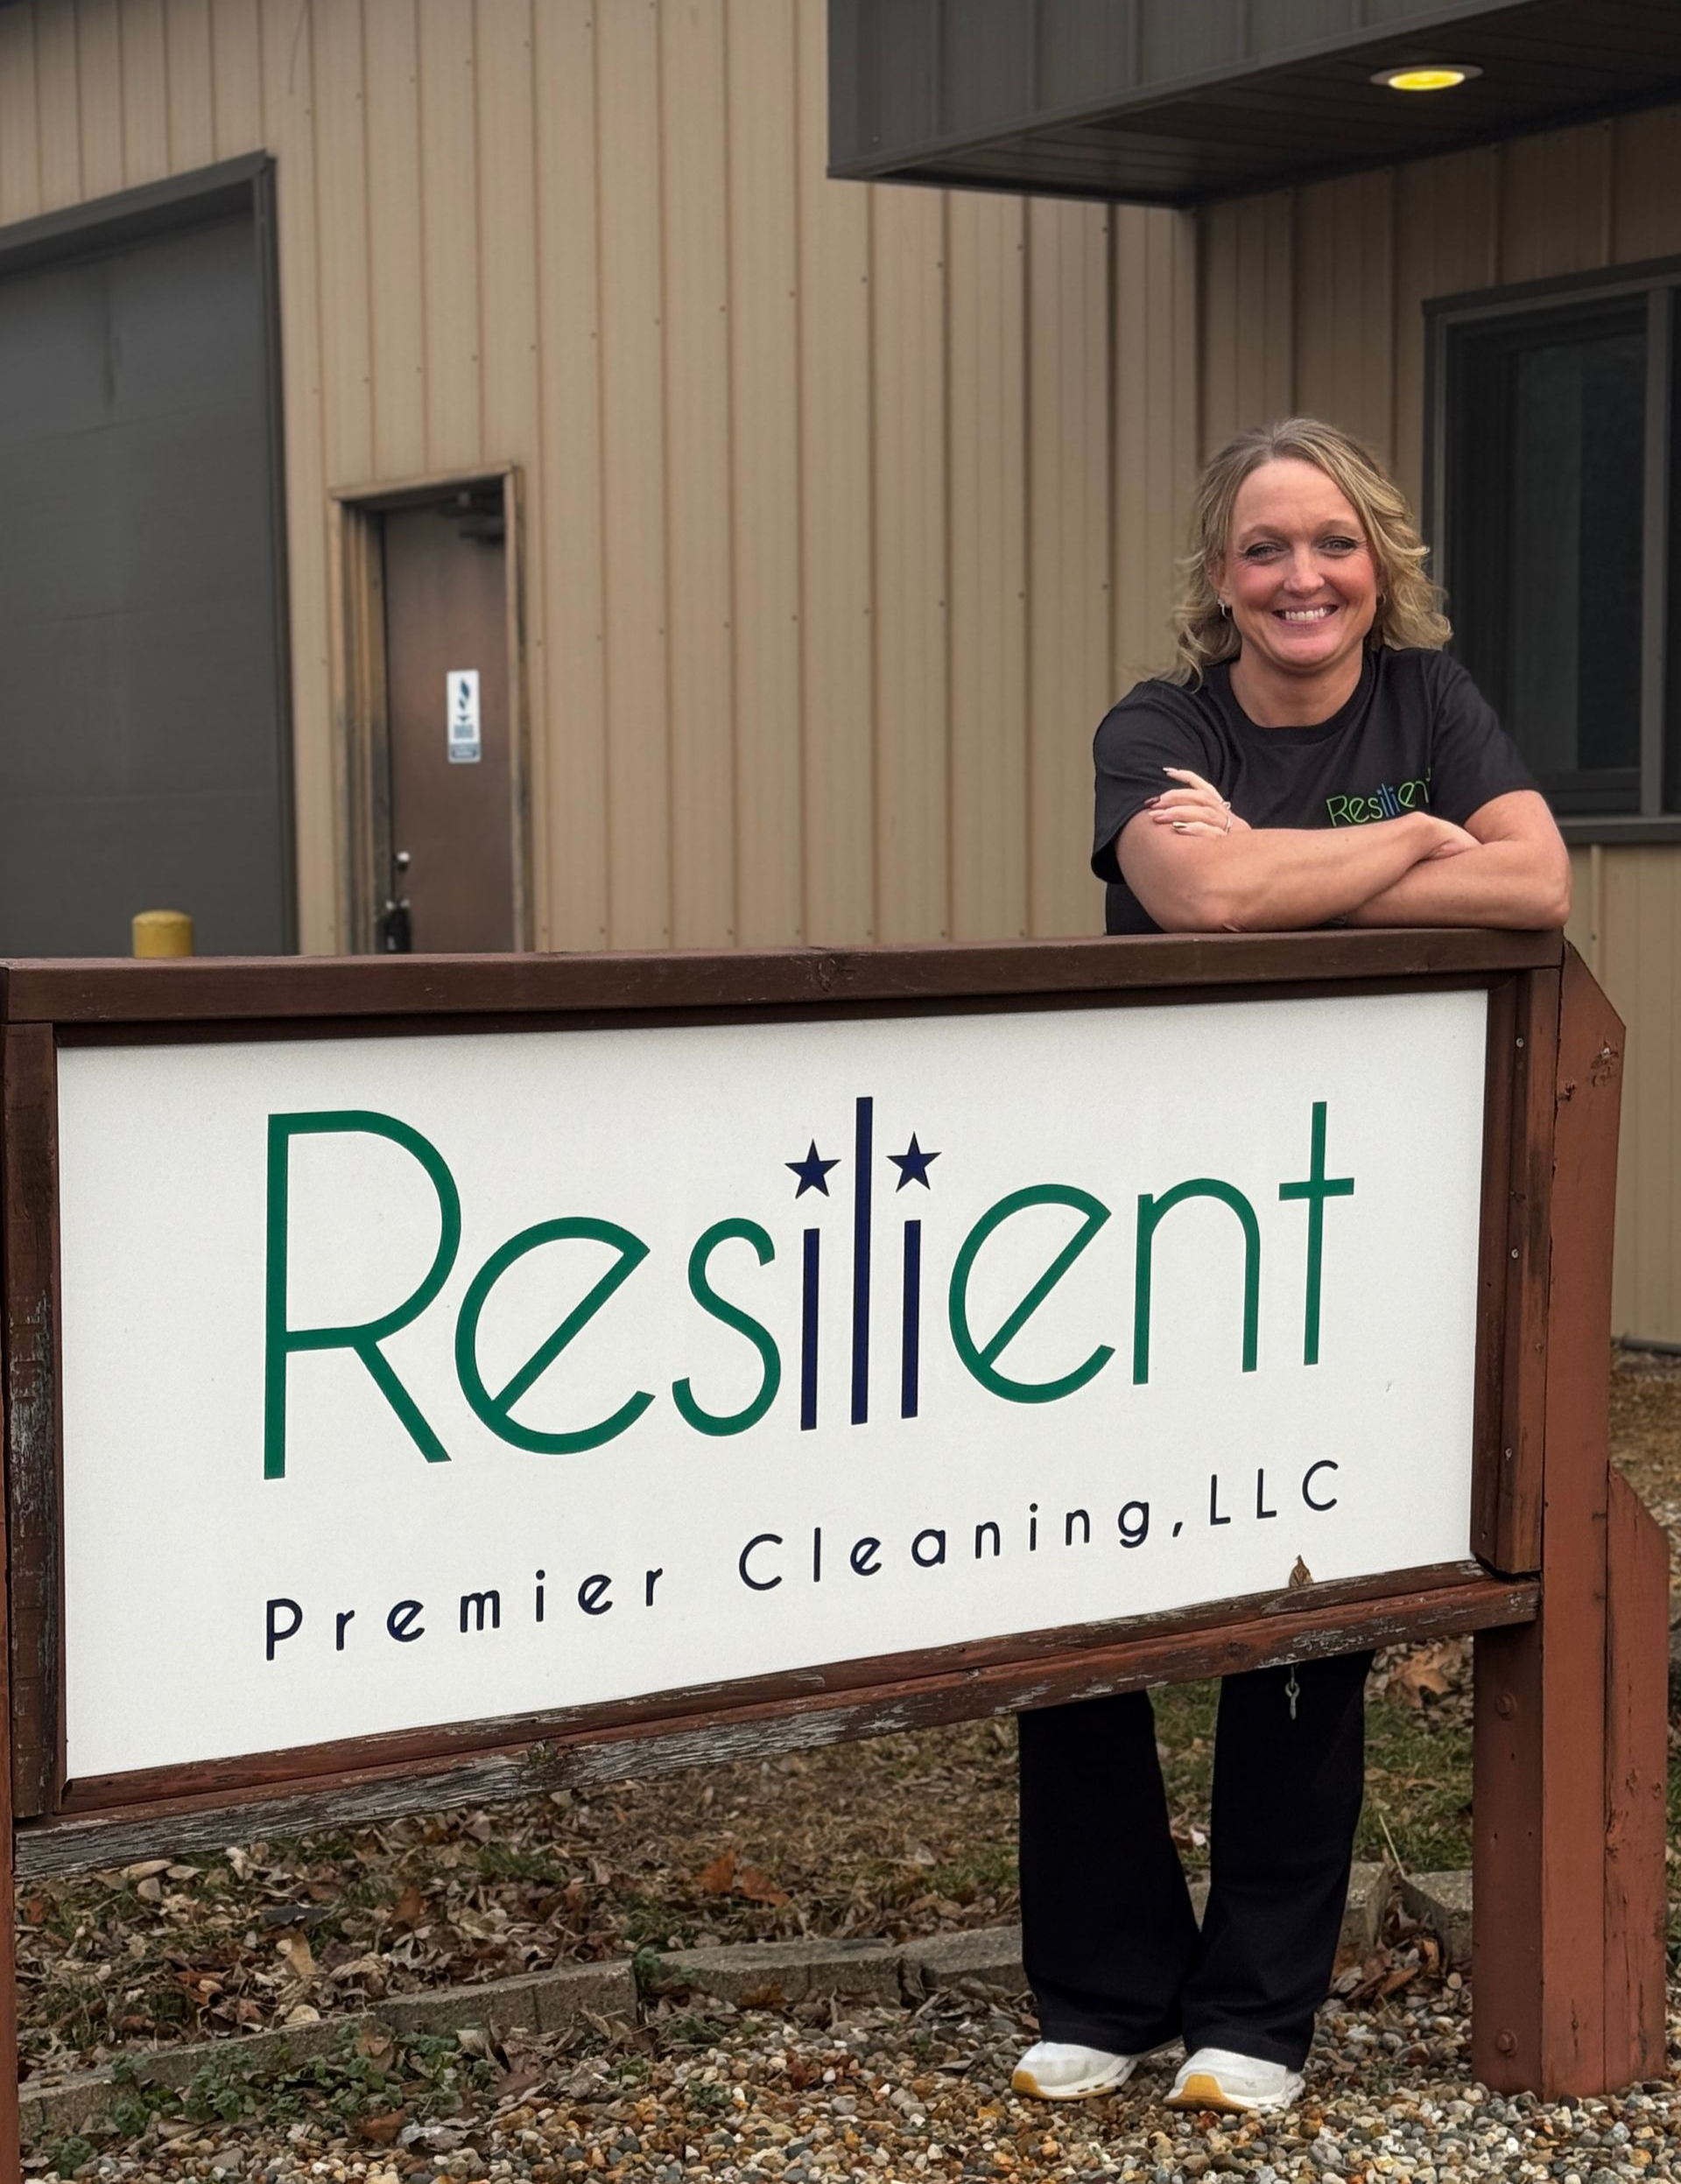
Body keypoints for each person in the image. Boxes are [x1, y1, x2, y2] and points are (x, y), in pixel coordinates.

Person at [1011, 417, 1570, 2117]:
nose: (1301, 576)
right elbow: (1201, 903)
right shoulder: (1157, 725)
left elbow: (1537, 879)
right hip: (1141, 1214)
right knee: (1082, 1575)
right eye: (1265, 547)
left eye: (1332, 542)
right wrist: (1414, 846)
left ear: (1377, 562)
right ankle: (1104, 1988)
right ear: (1220, 574)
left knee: (1303, 1581)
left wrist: (1293, 863)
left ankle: (1255, 2010)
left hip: (1340, 1216)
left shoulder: (1431, 704)